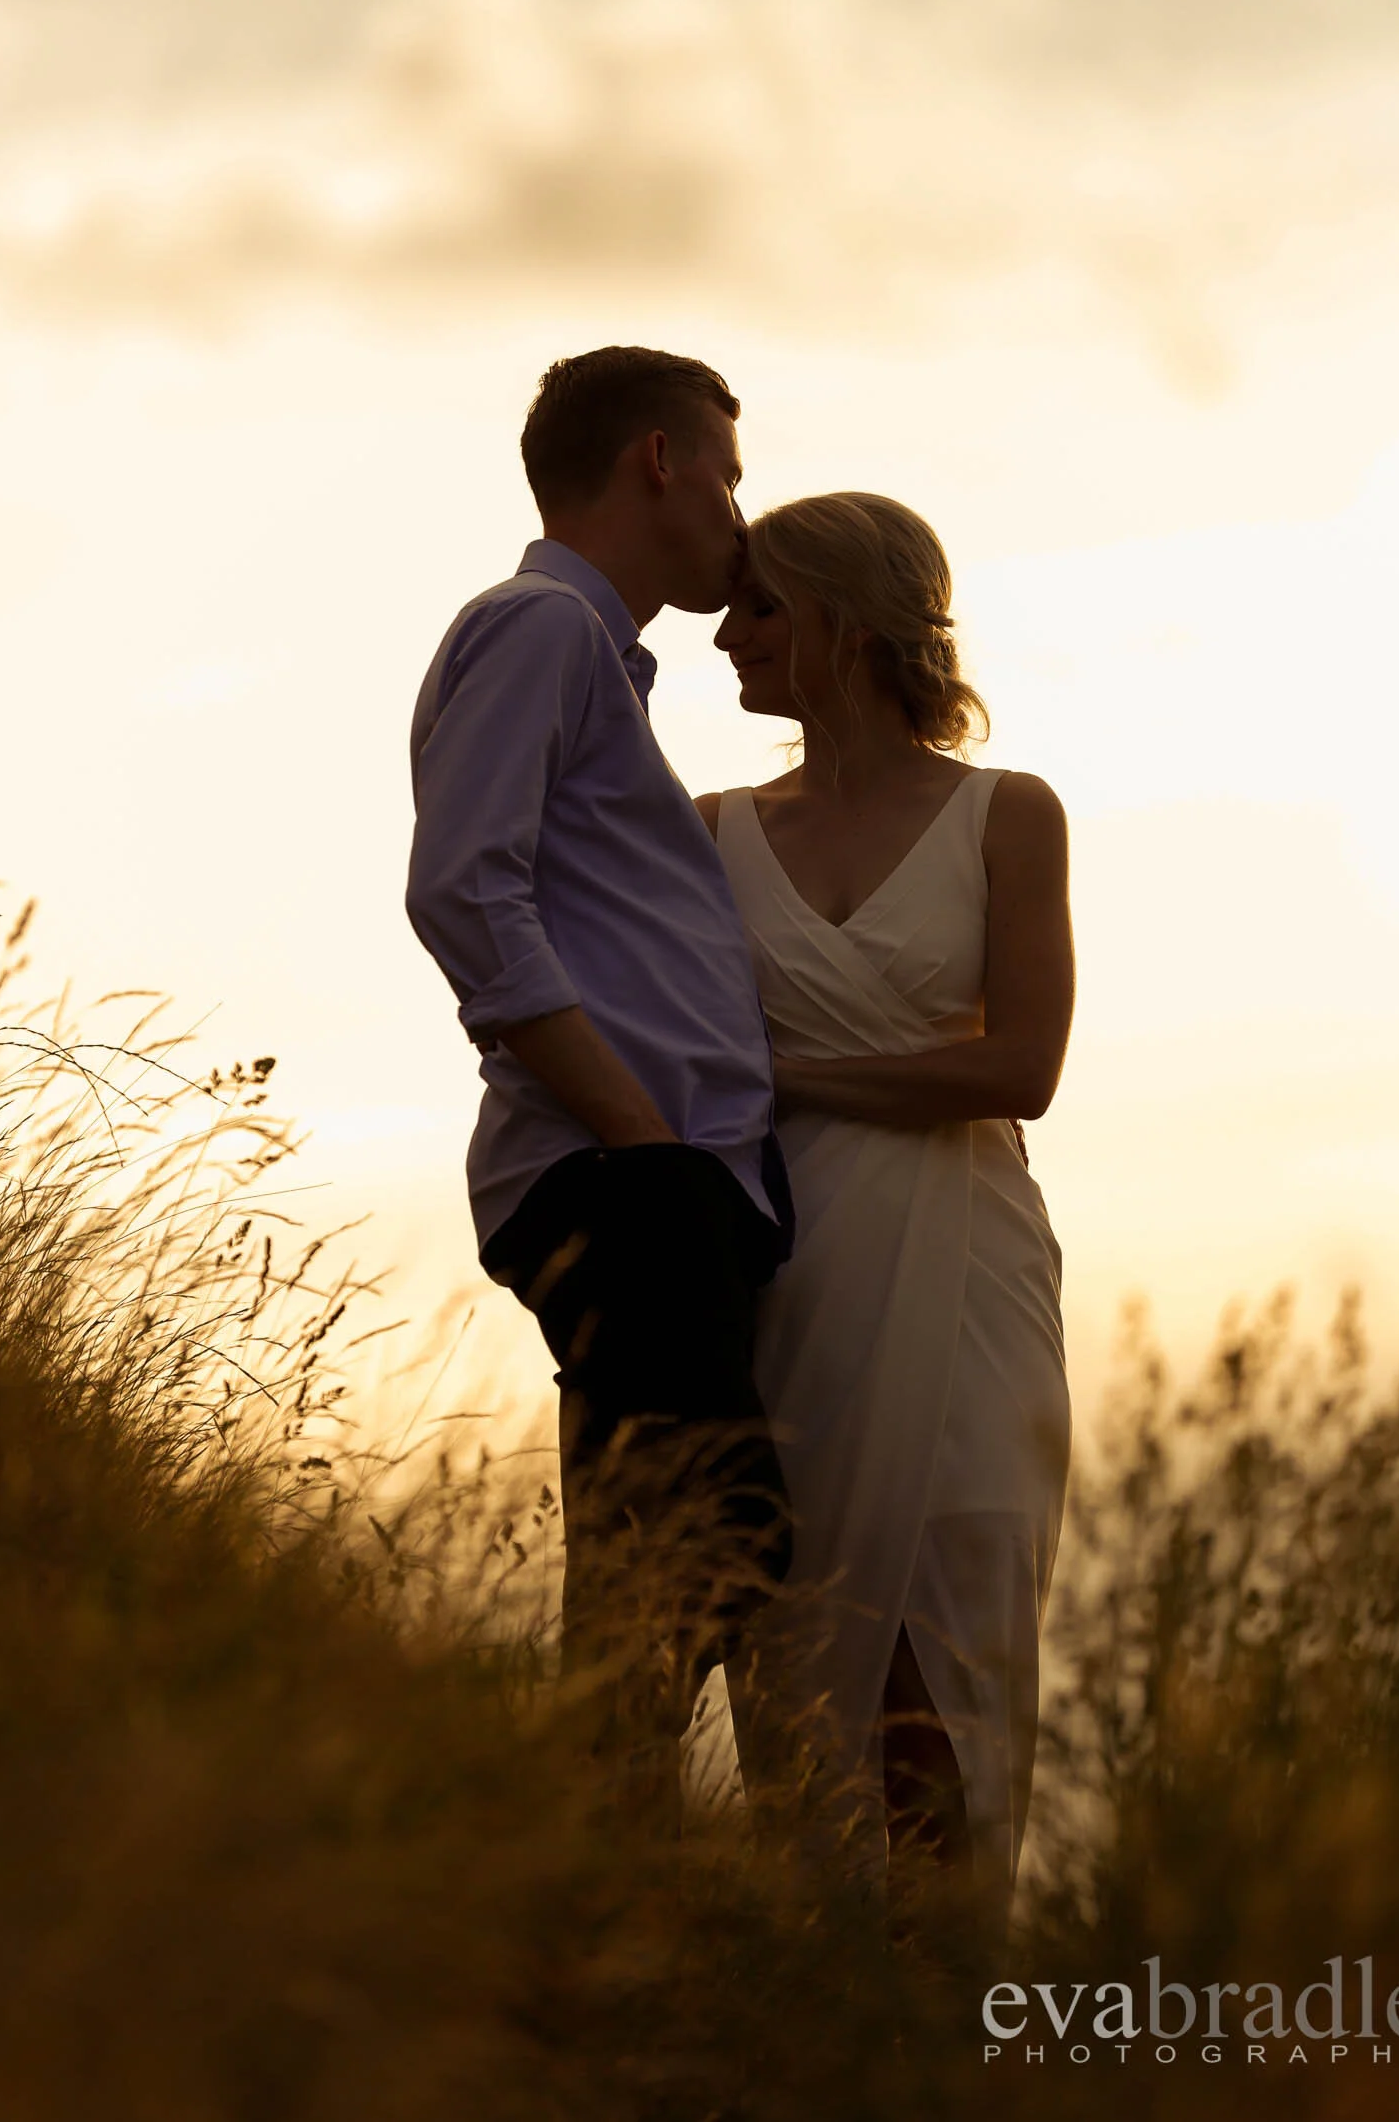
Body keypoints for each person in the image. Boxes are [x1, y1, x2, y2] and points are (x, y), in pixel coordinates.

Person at [404, 345, 795, 1830]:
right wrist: (645, 1142)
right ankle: (577, 1869)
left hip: (663, 1179)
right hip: (623, 1174)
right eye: (729, 475)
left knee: (670, 1550)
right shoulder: (538, 630)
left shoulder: (586, 660)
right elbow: (460, 891)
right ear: (658, 462)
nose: (736, 514)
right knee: (710, 1540)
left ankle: (596, 1875)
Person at [698, 490, 1073, 1902]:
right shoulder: (707, 829)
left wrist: (777, 1072)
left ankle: (951, 2010)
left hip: (969, 1279)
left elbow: (1020, 1067)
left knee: (946, 1660)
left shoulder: (1005, 818)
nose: (728, 637)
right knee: (800, 1650)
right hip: (785, 1278)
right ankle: (820, 2022)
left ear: (847, 624)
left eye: (761, 607)